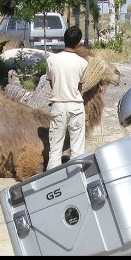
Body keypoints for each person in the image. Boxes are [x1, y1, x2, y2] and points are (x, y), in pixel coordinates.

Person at [46, 26, 88, 170]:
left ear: (64, 40)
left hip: (58, 106)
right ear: (78, 43)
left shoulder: (51, 60)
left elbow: (52, 82)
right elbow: (79, 87)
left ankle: (52, 183)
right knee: (77, 149)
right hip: (76, 106)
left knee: (55, 150)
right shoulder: (83, 63)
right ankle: (76, 179)